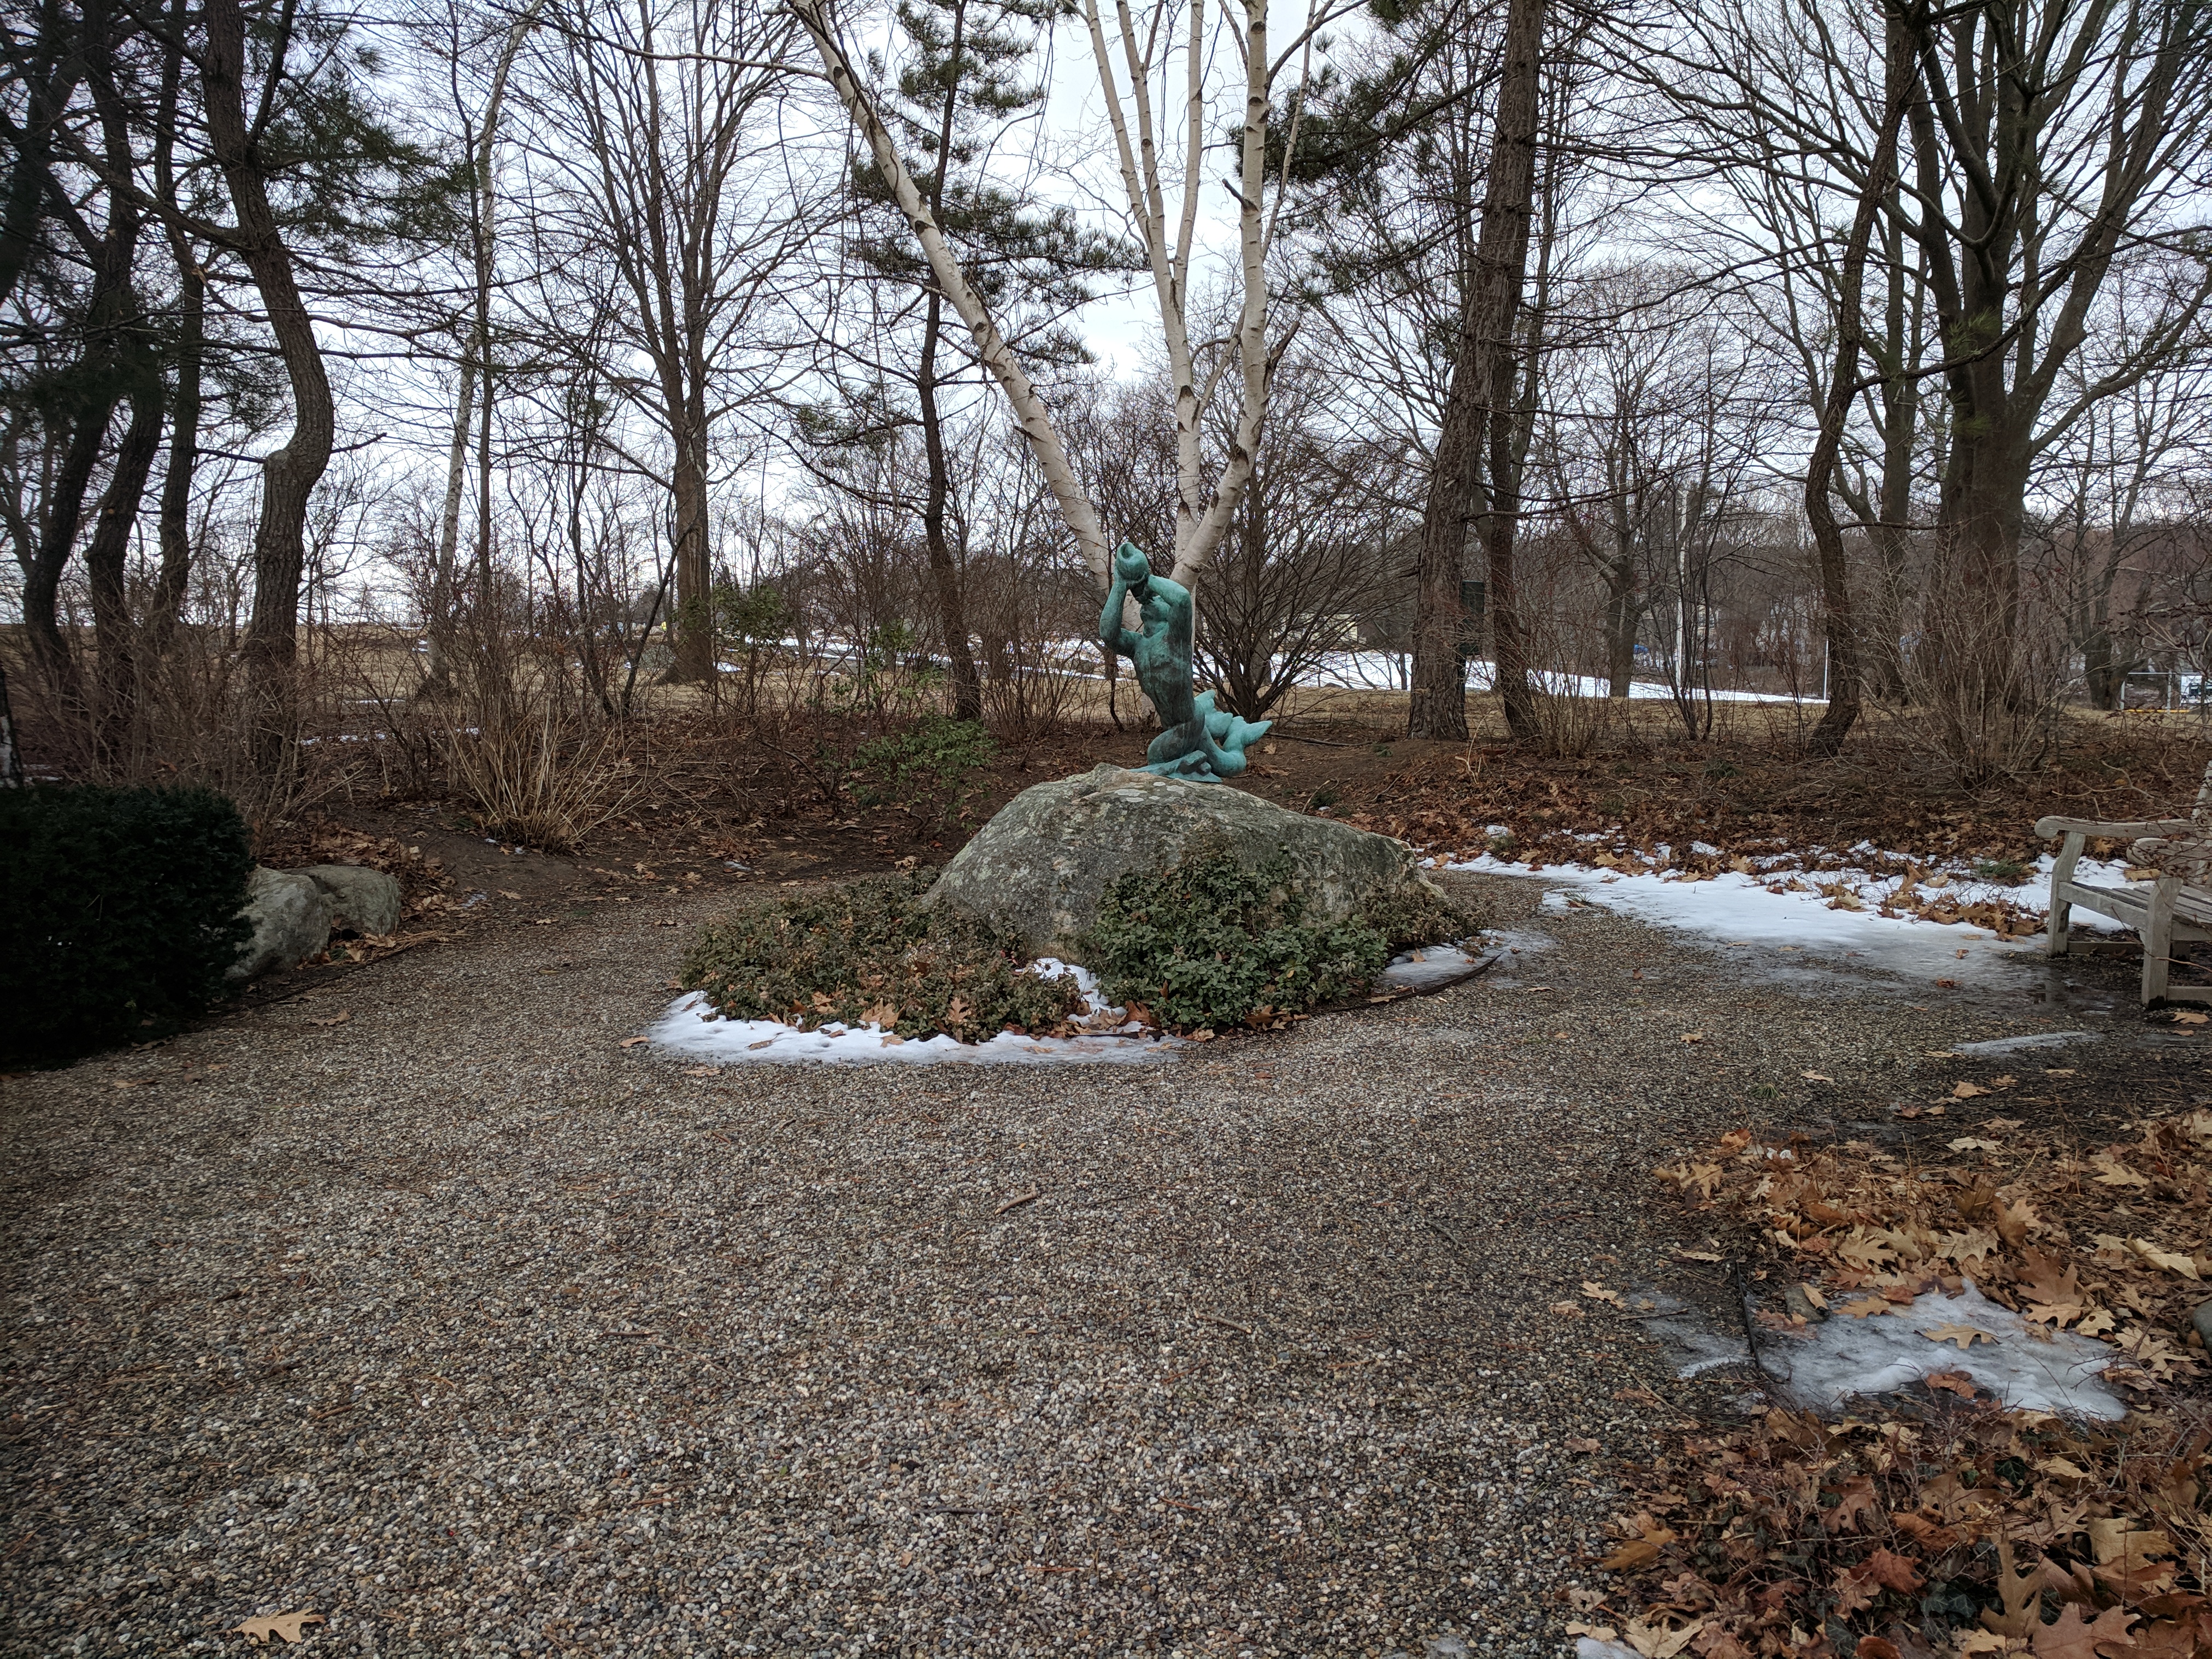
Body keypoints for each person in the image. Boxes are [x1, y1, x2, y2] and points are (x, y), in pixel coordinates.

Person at [1099, 541, 1269, 779]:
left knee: (1158, 755)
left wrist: (1145, 579)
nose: (1149, 600)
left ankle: (1199, 759)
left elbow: (1180, 599)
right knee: (1228, 765)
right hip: (1177, 725)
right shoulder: (1138, 646)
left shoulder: (1174, 638)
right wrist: (1121, 584)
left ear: (1169, 615)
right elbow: (1108, 634)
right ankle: (1195, 761)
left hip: (1188, 722)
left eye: (1157, 599)